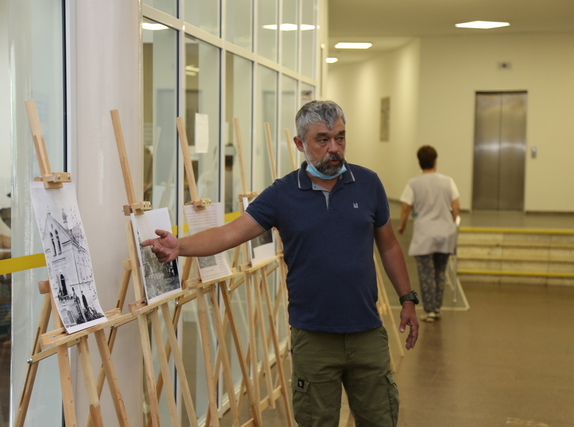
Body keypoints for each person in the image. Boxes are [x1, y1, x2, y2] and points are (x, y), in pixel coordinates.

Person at [143, 100, 419, 426]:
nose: (334, 148)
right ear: (300, 143)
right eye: (322, 139)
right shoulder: (282, 194)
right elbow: (231, 232)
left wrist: (407, 298)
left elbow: (389, 246)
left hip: (367, 333)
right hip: (313, 337)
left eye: (340, 138)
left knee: (381, 419)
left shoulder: (368, 183)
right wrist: (181, 246)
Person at [396, 145, 460, 323]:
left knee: (426, 274)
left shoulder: (413, 184)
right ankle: (437, 307)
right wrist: (451, 222)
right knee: (440, 272)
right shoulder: (448, 181)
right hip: (445, 234)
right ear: (435, 161)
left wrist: (402, 225)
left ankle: (430, 310)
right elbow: (456, 205)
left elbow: (406, 207)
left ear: (419, 163)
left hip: (424, 235)